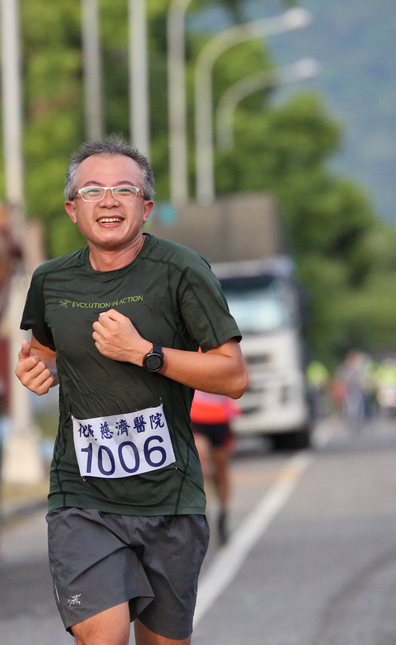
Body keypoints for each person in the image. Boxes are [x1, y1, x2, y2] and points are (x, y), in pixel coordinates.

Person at [15, 136, 247, 645]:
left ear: (146, 207)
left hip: (168, 497)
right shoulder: (51, 281)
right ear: (72, 209)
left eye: (124, 189)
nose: (109, 200)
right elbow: (46, 351)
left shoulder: (182, 271)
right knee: (104, 637)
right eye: (93, 190)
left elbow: (233, 376)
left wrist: (145, 353)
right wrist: (39, 369)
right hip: (83, 496)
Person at [189, 389, 241, 545]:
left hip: (221, 417)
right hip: (197, 416)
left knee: (221, 473)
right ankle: (203, 515)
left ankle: (223, 515)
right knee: (202, 468)